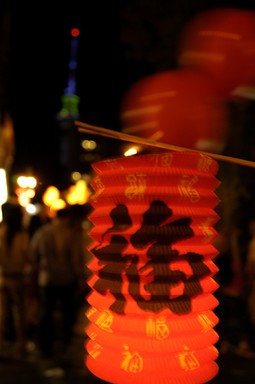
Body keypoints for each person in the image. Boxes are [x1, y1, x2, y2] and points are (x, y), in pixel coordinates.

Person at [29, 206, 87, 359]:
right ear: (67, 217)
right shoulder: (71, 234)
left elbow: (33, 254)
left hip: (46, 278)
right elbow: (76, 259)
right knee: (67, 312)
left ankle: (45, 345)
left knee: (46, 312)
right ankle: (65, 342)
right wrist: (80, 277)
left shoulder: (42, 232)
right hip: (67, 278)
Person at [0, 202, 30, 359]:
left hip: (4, 277)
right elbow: (28, 257)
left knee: (3, 313)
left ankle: (2, 345)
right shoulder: (22, 235)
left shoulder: (1, 231)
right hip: (17, 278)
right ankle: (21, 344)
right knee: (20, 313)